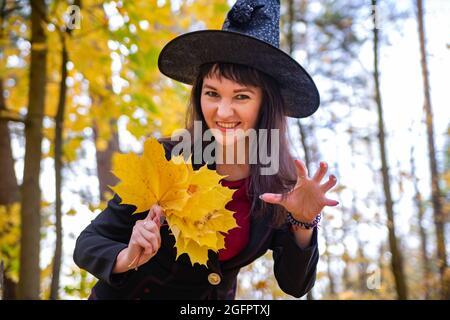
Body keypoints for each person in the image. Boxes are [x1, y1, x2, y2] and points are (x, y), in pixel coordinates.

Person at [73, 0, 338, 300]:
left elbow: (295, 285)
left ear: (266, 103)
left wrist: (303, 224)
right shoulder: (169, 160)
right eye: (212, 93)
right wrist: (127, 256)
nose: (223, 112)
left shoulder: (282, 183)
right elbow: (88, 242)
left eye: (241, 96)